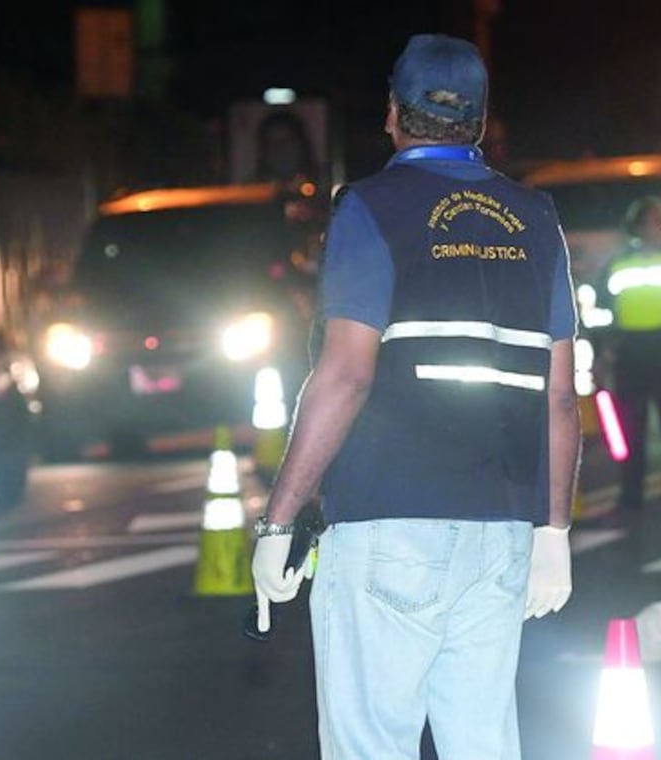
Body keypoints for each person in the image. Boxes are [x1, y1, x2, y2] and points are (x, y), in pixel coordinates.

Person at [250, 34, 581, 759]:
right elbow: (560, 396)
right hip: (502, 529)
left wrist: (279, 521)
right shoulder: (537, 219)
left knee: (372, 745)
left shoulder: (372, 209)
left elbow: (345, 375)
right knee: (482, 744)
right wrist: (553, 530)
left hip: (386, 524)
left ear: (394, 112)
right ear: (481, 118)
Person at [593, 196, 661, 517]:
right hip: (632, 354)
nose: (660, 229)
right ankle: (631, 498)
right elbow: (603, 312)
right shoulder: (617, 264)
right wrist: (602, 356)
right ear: (639, 226)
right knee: (632, 432)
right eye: (655, 222)